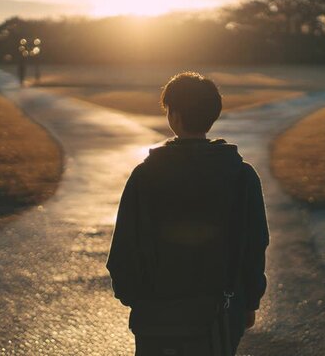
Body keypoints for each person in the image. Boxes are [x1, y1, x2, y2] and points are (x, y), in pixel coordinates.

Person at [107, 72, 269, 355]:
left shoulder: (146, 175)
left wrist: (133, 297)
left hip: (156, 313)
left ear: (175, 116)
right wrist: (250, 302)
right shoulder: (241, 176)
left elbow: (124, 244)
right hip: (220, 311)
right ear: (212, 115)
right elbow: (255, 244)